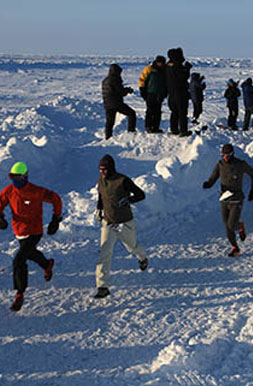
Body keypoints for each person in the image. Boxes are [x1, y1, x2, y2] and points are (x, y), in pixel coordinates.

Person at [0, 162, 62, 311]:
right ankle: (46, 264)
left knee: (19, 259)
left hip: (35, 231)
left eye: (18, 177)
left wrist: (55, 219)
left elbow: (56, 198)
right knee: (29, 253)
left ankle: (20, 293)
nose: (15, 181)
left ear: (25, 176)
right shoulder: (8, 191)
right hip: (19, 232)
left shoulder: (36, 191)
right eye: (12, 177)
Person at [94, 155, 148, 299]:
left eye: (104, 169)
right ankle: (102, 286)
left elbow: (141, 195)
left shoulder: (123, 180)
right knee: (105, 252)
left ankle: (142, 257)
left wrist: (129, 200)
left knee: (132, 247)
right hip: (109, 222)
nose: (102, 172)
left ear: (111, 168)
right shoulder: (101, 181)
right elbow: (101, 196)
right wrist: (99, 209)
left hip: (124, 222)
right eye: (100, 169)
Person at [203, 144, 253, 257]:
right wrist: (209, 184)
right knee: (227, 225)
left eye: (228, 155)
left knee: (232, 224)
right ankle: (235, 247)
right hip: (224, 198)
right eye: (223, 155)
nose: (225, 158)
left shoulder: (240, 164)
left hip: (237, 198)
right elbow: (213, 177)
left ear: (232, 154)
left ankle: (240, 226)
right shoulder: (220, 164)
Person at [102, 64, 136, 140]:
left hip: (107, 104)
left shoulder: (105, 80)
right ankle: (131, 131)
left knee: (110, 122)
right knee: (131, 113)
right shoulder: (115, 79)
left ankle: (108, 137)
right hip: (116, 103)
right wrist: (128, 90)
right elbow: (121, 92)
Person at [165, 47, 192, 137]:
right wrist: (187, 69)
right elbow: (183, 77)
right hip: (180, 92)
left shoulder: (168, 65)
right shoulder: (178, 66)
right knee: (182, 111)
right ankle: (183, 130)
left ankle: (174, 129)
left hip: (171, 92)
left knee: (174, 111)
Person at [139, 55, 167, 133]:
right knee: (150, 110)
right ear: (157, 62)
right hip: (150, 93)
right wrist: (142, 90)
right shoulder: (149, 69)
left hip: (160, 94)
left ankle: (156, 127)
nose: (160, 64)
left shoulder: (165, 70)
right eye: (159, 63)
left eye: (162, 63)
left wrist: (165, 92)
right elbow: (142, 79)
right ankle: (148, 127)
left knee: (158, 111)